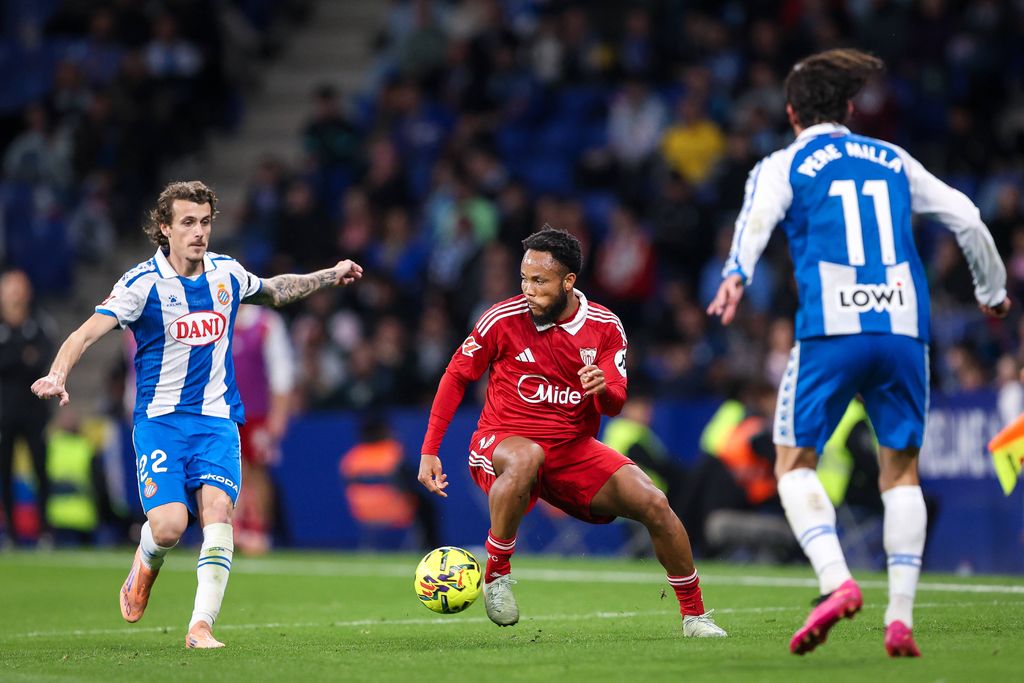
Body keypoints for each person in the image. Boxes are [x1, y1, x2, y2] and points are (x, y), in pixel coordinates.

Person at [707, 49, 1010, 658]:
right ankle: (900, 620)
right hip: (903, 328)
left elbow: (756, 218)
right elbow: (968, 215)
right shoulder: (892, 158)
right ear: (849, 108)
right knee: (901, 471)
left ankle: (836, 581)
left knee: (793, 462)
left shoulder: (785, 162)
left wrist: (737, 272)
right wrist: (992, 291)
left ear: (791, 113)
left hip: (832, 328)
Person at [31, 180, 363, 648]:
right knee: (169, 527)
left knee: (219, 514)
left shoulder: (227, 274)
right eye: (188, 222)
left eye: (205, 222)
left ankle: (200, 625)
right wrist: (58, 373)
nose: (199, 232)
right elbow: (83, 334)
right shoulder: (141, 284)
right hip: (161, 423)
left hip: (216, 420)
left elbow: (274, 291)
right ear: (165, 228)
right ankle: (145, 561)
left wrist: (330, 274)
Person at [418, 227, 726, 637]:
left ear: (568, 281)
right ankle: (497, 574)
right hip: (503, 440)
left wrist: (603, 389)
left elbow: (615, 403)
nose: (528, 290)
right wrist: (430, 449)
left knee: (653, 502)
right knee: (527, 456)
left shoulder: (605, 327)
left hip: (572, 449)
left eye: (539, 281)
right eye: (524, 279)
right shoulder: (501, 319)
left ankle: (694, 616)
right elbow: (456, 376)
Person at [231, 304, 295, 555]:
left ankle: (259, 530)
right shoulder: (217, 316)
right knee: (230, 472)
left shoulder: (266, 324)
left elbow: (282, 372)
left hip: (256, 413)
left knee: (258, 471)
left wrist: (279, 413)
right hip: (223, 412)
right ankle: (233, 530)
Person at [0, 270, 56, 547]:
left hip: (35, 412)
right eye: (10, 289)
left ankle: (44, 530)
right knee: (4, 471)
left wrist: (15, 358)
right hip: (3, 413)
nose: (15, 295)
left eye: (19, 289)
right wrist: (21, 356)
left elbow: (42, 359)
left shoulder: (39, 323)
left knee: (40, 470)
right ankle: (9, 532)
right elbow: (21, 360)